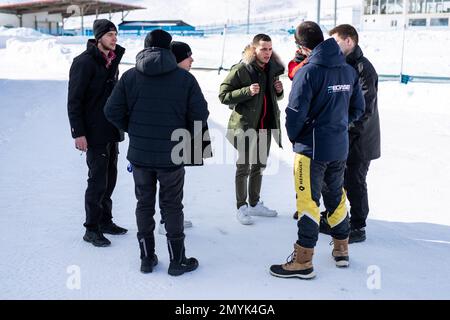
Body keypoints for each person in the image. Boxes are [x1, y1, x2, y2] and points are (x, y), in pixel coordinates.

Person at [104, 30, 209, 276]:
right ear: (169, 49)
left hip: (140, 154)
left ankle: (147, 258)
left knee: (144, 204)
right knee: (172, 206)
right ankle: (177, 261)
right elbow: (200, 115)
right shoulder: (184, 79)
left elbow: (111, 110)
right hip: (173, 154)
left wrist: (133, 129)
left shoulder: (130, 76)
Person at [270, 21, 365, 279]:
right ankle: (341, 249)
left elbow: (294, 113)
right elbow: (358, 108)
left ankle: (303, 260)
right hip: (339, 146)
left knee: (307, 202)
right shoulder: (347, 70)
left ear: (302, 47)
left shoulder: (308, 72)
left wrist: (296, 137)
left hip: (311, 149)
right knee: (336, 196)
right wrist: (339, 125)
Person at [67, 19, 127, 248]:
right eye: (110, 34)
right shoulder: (83, 63)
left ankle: (105, 220)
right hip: (93, 132)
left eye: (116, 34)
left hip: (111, 129)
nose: (114, 38)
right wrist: (78, 133)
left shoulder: (112, 61)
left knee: (110, 178)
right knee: (97, 181)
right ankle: (91, 229)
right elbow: (74, 101)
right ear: (99, 36)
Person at [219, 34, 285, 225]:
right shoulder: (241, 69)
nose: (268, 53)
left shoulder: (272, 69)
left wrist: (279, 91)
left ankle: (254, 204)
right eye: (263, 49)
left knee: (259, 167)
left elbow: (274, 99)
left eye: (270, 49)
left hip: (265, 126)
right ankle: (242, 207)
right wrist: (247, 91)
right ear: (253, 49)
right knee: (244, 168)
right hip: (246, 127)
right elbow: (223, 95)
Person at [328, 24, 381, 243]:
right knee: (336, 180)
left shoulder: (363, 68)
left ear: (349, 40)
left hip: (360, 139)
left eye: (336, 41)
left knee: (355, 181)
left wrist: (345, 130)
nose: (333, 46)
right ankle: (340, 218)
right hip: (343, 135)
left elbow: (365, 109)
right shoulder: (341, 65)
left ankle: (358, 225)